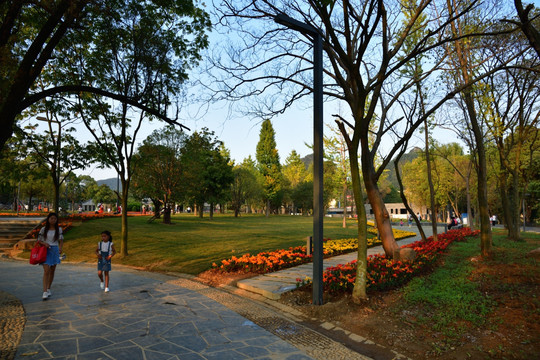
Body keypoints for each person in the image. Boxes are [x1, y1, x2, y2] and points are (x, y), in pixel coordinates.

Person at [37, 212, 63, 300]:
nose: (53, 220)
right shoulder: (43, 229)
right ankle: (44, 291)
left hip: (54, 250)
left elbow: (61, 240)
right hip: (45, 250)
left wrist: (60, 248)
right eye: (51, 218)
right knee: (46, 270)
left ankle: (48, 288)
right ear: (48, 219)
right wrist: (44, 243)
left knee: (52, 270)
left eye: (55, 219)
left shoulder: (59, 229)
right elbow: (39, 240)